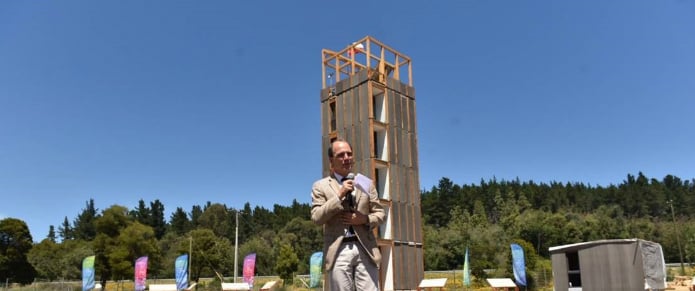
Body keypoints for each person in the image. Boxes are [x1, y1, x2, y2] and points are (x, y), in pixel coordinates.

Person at [311, 139, 385, 291]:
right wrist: (339, 195)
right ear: (331, 160)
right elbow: (317, 217)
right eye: (341, 155)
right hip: (338, 249)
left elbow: (380, 214)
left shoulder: (366, 183)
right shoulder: (320, 186)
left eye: (349, 154)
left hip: (366, 248)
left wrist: (364, 219)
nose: (346, 158)